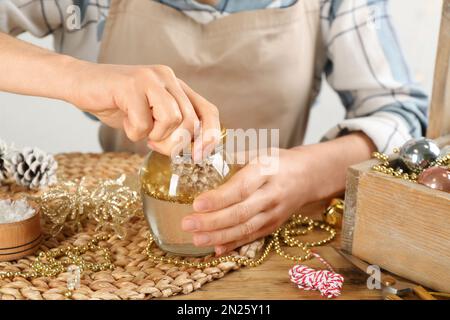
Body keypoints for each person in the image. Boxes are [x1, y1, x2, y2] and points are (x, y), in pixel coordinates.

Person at [0, 0, 428, 255]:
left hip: (284, 226)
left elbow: (404, 116)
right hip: (133, 225)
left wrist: (312, 172)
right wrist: (76, 78)